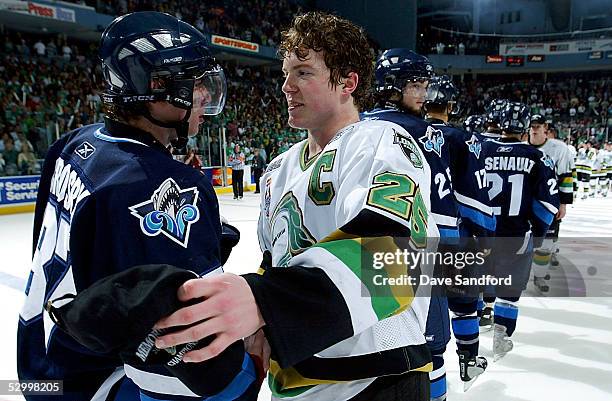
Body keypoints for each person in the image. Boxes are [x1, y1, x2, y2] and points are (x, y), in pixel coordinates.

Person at [154, 11, 438, 401]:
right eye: (285, 73)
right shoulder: (277, 169)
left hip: (375, 379)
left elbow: (391, 255)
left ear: (347, 83)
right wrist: (253, 324)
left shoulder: (380, 142)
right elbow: (276, 266)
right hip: (295, 380)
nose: (286, 86)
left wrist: (262, 300)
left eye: (303, 72)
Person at [17, 11, 259, 401]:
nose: (204, 96)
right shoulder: (164, 185)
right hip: (99, 383)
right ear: (157, 86)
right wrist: (242, 377)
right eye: (194, 83)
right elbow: (187, 347)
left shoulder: (75, 143)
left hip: (43, 366)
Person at [482, 102, 559, 361]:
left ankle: (479, 318)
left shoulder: (480, 149)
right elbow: (548, 203)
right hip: (515, 234)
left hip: (482, 231)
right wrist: (537, 232)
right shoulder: (537, 157)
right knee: (510, 287)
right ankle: (501, 336)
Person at [528, 115, 574, 292]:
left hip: (548, 203)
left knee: (545, 244)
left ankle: (539, 275)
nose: (534, 129)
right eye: (532, 126)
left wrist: (563, 204)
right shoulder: (522, 147)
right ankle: (524, 272)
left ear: (545, 127)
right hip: (525, 203)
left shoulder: (558, 148)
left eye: (538, 126)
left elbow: (565, 176)